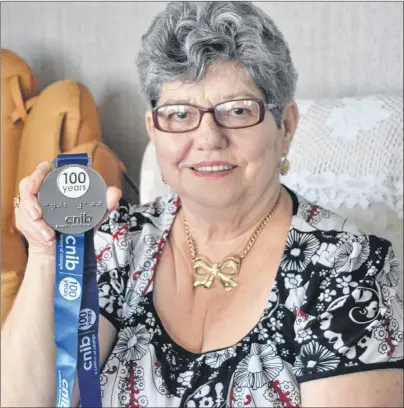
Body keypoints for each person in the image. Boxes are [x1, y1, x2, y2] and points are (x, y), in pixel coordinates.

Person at [2, 2, 403, 407]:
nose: (208, 137)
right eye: (179, 114)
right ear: (153, 131)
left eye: (237, 111)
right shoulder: (118, 242)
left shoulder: (350, 269)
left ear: (285, 127)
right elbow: (26, 401)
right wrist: (44, 254)